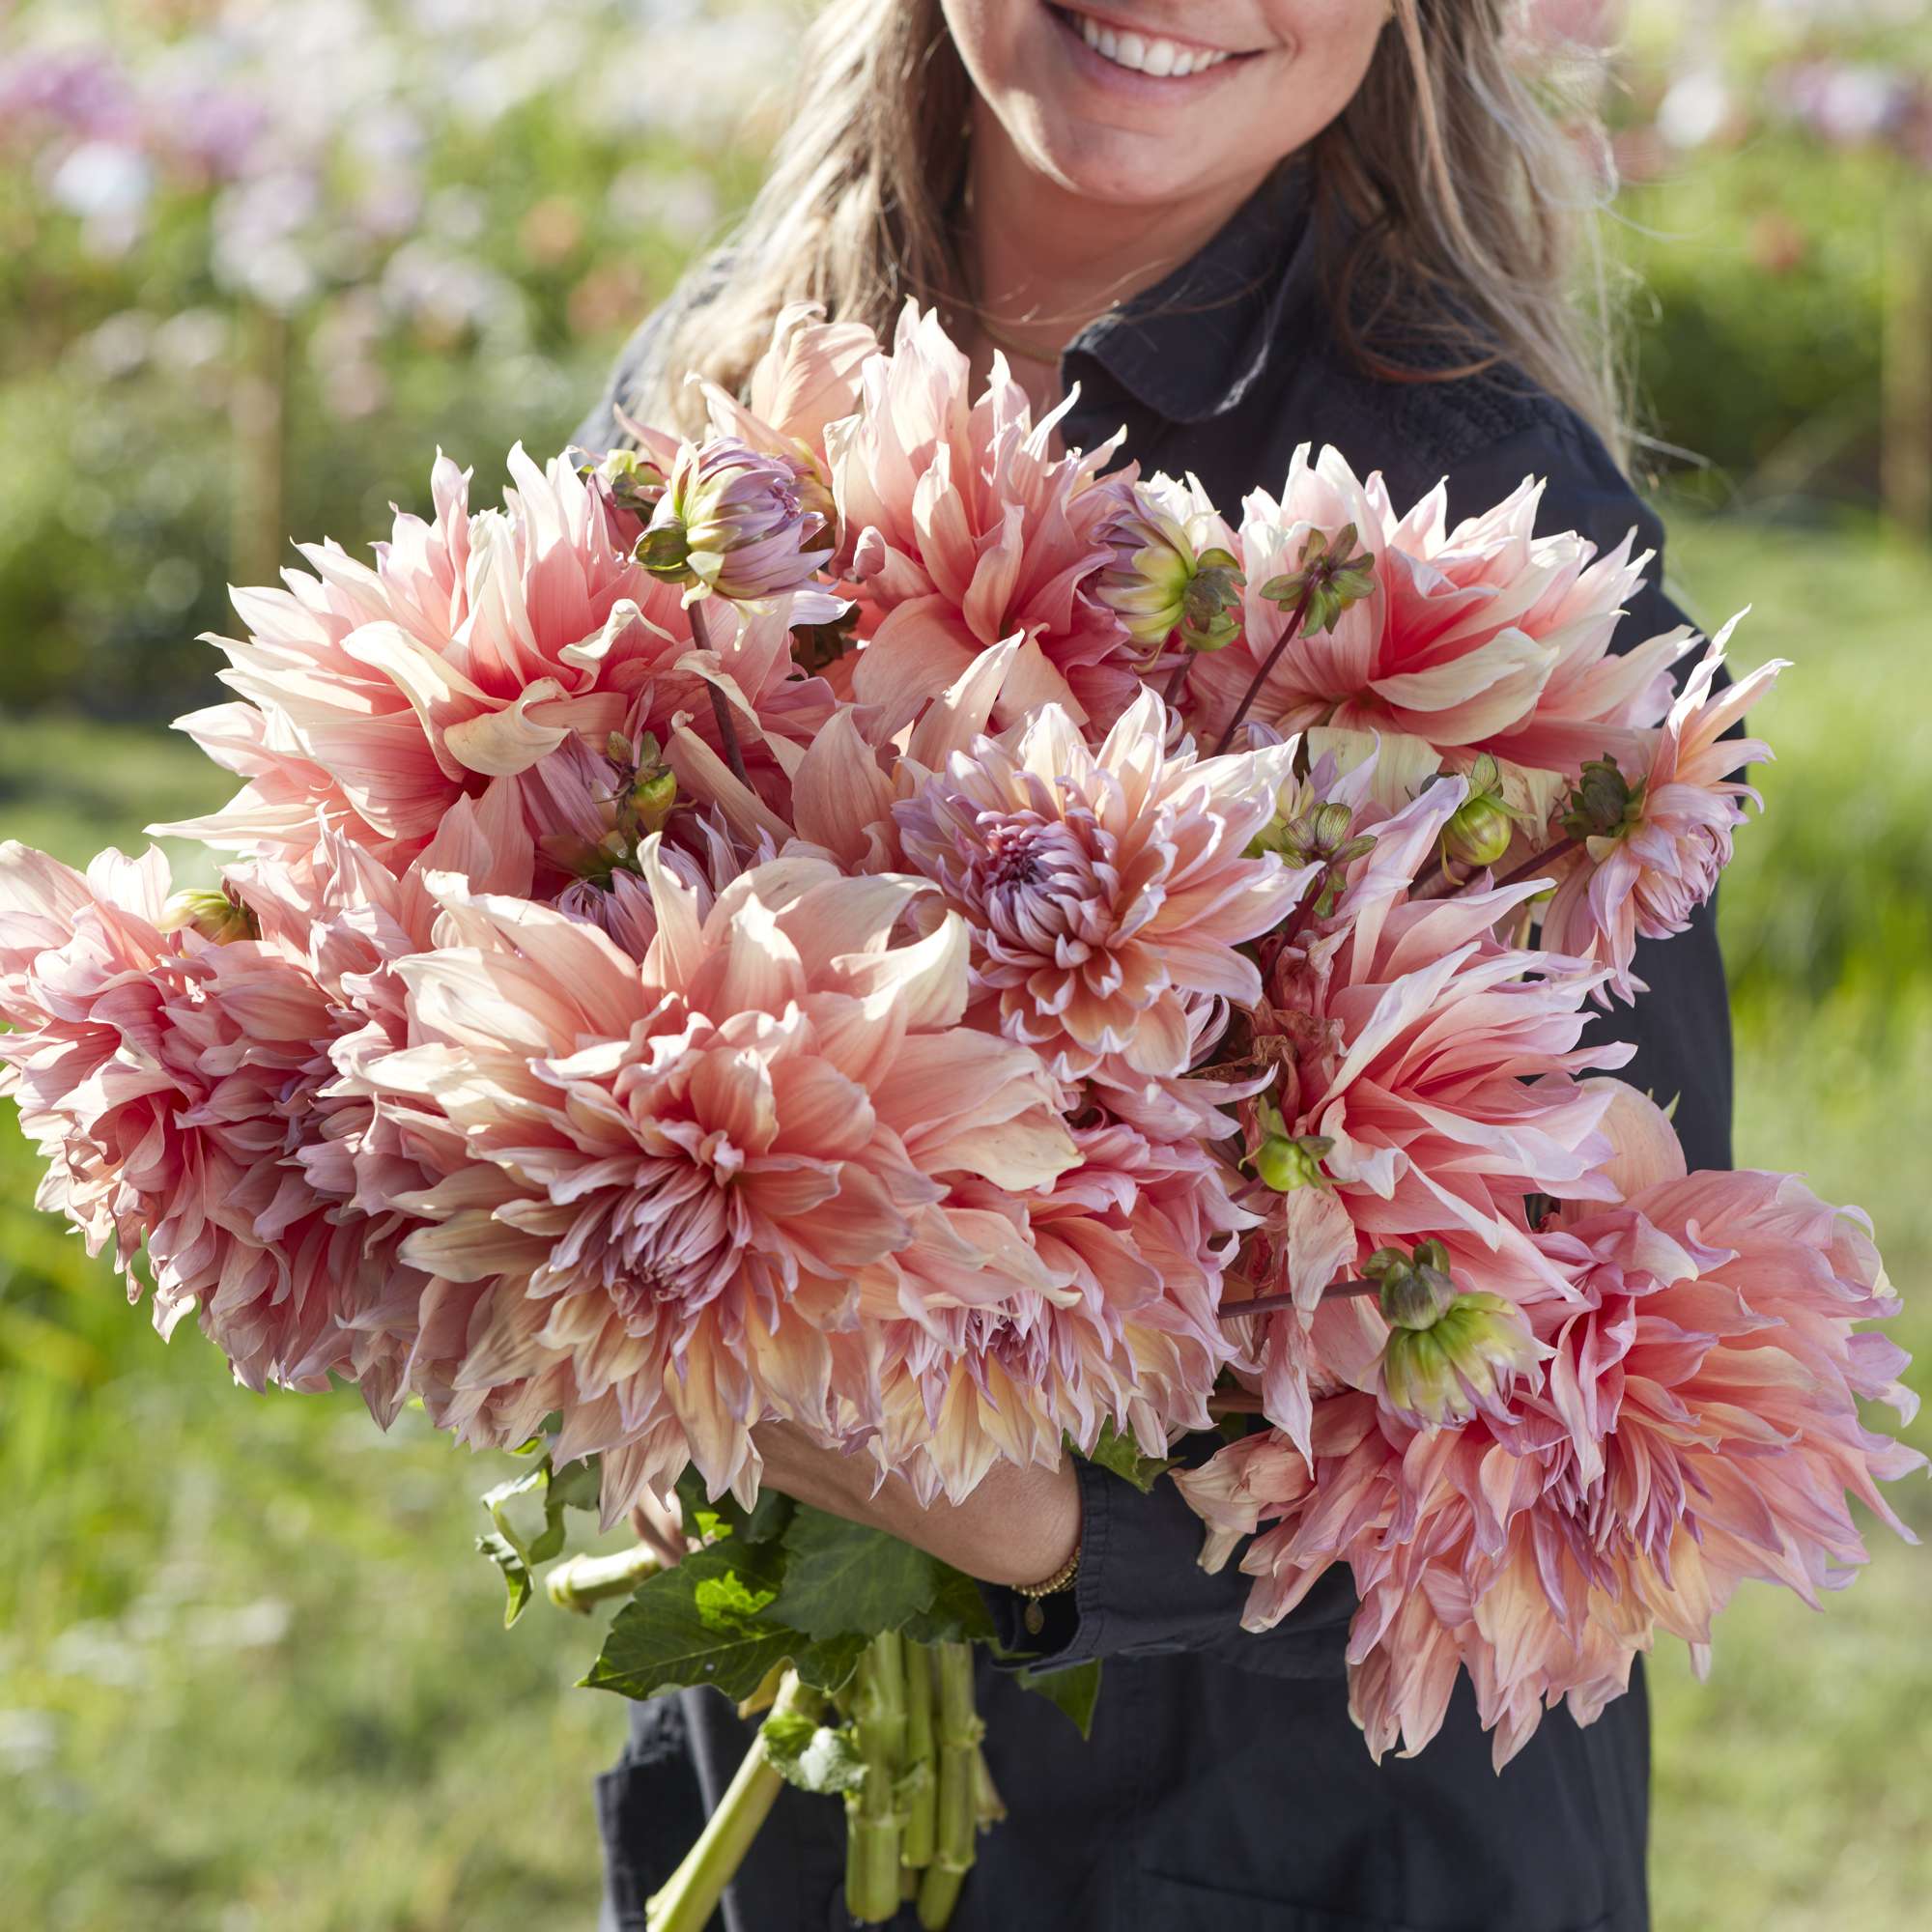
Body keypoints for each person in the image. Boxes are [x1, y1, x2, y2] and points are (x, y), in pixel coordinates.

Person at [575, 6, 1730, 1928]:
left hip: (1306, 1849)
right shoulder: (729, 366)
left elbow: (1615, 1381)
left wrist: (1042, 1528)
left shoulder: (1470, 520)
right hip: (793, 1807)